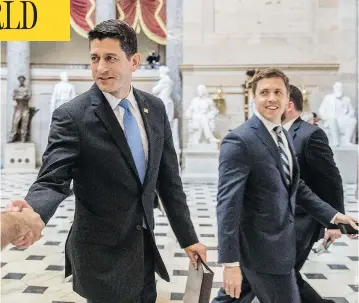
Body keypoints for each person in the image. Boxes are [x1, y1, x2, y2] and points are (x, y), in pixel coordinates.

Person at [7, 19, 206, 303]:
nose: (100, 68)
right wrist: (32, 214)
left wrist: (188, 238)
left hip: (144, 254)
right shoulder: (72, 116)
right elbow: (53, 181)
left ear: (134, 61)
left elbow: (169, 181)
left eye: (110, 58)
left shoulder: (155, 108)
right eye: (94, 58)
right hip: (100, 259)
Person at [212, 68, 358, 303]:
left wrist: (333, 216)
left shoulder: (281, 135)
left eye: (278, 92)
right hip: (261, 252)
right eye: (265, 92)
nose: (271, 98)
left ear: (287, 99)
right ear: (253, 96)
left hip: (279, 247)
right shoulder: (240, 140)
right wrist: (229, 263)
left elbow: (296, 187)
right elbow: (227, 205)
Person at [282, 85, 345, 303]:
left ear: (289, 105)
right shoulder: (274, 135)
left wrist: (335, 223)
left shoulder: (311, 135)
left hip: (303, 218)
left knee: (284, 272)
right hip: (279, 219)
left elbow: (331, 179)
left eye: (277, 96)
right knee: (281, 273)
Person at [8, 75, 31, 142]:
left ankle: (23, 138)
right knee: (15, 122)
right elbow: (13, 97)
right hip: (18, 108)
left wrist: (21, 97)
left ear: (24, 80)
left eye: (22, 80)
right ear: (19, 80)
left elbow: (29, 97)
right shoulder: (16, 89)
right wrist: (22, 97)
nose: (21, 81)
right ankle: (12, 137)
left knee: (25, 123)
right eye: (20, 80)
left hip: (25, 108)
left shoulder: (27, 88)